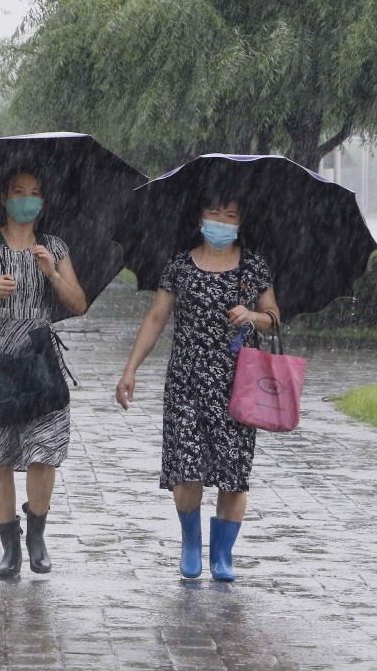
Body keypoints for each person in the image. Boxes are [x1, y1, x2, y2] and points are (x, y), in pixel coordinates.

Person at [115, 195, 280, 581]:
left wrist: (252, 315)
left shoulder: (253, 265)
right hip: (186, 381)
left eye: (231, 215)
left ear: (240, 223)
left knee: (233, 471)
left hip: (237, 383)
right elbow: (157, 318)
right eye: (214, 213)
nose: (221, 221)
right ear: (200, 217)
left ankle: (223, 555)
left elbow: (273, 318)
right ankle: (191, 542)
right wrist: (130, 368)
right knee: (186, 467)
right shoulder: (179, 265)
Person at [0, 172, 87, 578]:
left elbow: (77, 303)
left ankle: (37, 535)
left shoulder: (54, 247)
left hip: (39, 359)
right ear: (3, 198)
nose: (28, 200)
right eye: (19, 193)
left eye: (35, 193)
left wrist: (53, 274)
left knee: (45, 452)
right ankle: (10, 546)